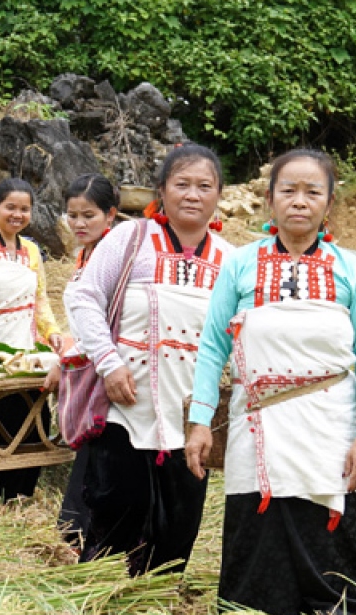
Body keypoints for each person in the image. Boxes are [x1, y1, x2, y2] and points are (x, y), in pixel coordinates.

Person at [186, 148, 356, 615]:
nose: (300, 201)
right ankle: (258, 612)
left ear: (328, 203)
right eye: (288, 191)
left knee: (331, 513)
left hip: (331, 421)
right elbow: (213, 347)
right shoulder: (238, 265)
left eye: (312, 191)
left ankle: (340, 613)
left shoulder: (351, 269)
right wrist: (198, 421)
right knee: (260, 516)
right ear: (270, 201)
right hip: (259, 423)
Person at [64, 144, 234, 577]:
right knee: (114, 504)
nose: (192, 195)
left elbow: (244, 329)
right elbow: (83, 297)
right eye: (182, 184)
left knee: (180, 518)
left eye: (204, 186)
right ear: (161, 189)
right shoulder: (131, 238)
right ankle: (97, 595)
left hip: (192, 410)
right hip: (126, 399)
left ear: (219, 194)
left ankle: (157, 598)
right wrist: (108, 361)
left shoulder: (231, 260)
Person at [0, 178, 63, 506]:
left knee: (33, 421)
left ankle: (20, 497)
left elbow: (40, 298)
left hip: (23, 348)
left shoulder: (32, 249)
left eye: (24, 209)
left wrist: (53, 332)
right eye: (10, 207)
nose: (17, 215)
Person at [53, 173, 120, 547]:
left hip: (105, 366)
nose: (79, 224)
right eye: (72, 215)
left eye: (88, 216)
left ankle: (82, 529)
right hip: (85, 362)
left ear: (110, 215)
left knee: (97, 448)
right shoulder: (85, 255)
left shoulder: (114, 257)